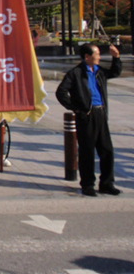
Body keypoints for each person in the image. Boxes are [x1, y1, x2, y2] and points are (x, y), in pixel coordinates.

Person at [56, 43, 122, 197]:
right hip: (86, 115)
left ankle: (107, 183)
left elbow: (115, 72)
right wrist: (76, 108)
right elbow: (61, 92)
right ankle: (87, 184)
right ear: (87, 57)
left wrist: (116, 57)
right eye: (97, 54)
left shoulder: (99, 72)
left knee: (107, 150)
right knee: (87, 152)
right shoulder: (76, 73)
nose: (99, 57)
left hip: (101, 114)